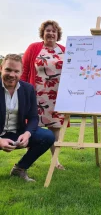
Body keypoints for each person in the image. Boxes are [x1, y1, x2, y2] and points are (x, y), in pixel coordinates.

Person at [0, 54, 55, 182]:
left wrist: (27, 133)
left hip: (17, 132)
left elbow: (33, 117)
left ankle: (20, 169)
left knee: (48, 136)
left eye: (16, 71)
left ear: (21, 72)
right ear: (1, 68)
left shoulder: (28, 89)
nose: (12, 75)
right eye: (8, 69)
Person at [21, 20, 65, 170]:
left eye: (54, 31)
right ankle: (29, 158)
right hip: (36, 95)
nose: (51, 33)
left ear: (57, 34)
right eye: (48, 30)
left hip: (57, 96)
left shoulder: (64, 50)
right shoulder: (34, 48)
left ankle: (56, 160)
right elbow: (24, 70)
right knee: (33, 126)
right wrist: (22, 91)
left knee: (55, 127)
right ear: (43, 33)